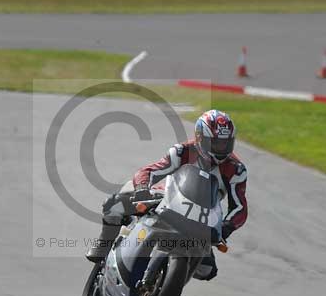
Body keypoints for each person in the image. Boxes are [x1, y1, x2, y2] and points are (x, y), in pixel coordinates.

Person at [85, 110, 248, 281]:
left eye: (225, 144)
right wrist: (142, 189)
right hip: (168, 199)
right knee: (114, 205)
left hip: (203, 218)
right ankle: (104, 244)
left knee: (207, 270)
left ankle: (167, 287)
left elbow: (240, 207)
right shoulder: (182, 151)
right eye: (215, 143)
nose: (221, 149)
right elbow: (150, 171)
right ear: (200, 138)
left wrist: (226, 227)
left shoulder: (236, 169)